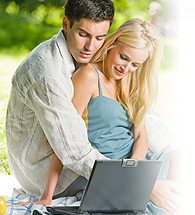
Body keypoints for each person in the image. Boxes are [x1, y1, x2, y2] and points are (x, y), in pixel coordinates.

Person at [17, 18, 182, 215]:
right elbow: (63, 139)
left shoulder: (128, 84)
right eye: (123, 57)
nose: (126, 68)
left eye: (135, 65)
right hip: (112, 174)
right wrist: (47, 195)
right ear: (112, 44)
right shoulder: (89, 76)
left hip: (140, 168)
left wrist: (137, 169)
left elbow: (141, 136)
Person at [6, 0, 114, 198]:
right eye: (83, 34)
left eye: (100, 37)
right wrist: (134, 183)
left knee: (164, 159)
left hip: (71, 160)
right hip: (50, 176)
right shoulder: (48, 73)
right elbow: (75, 152)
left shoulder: (84, 56)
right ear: (66, 24)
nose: (91, 46)